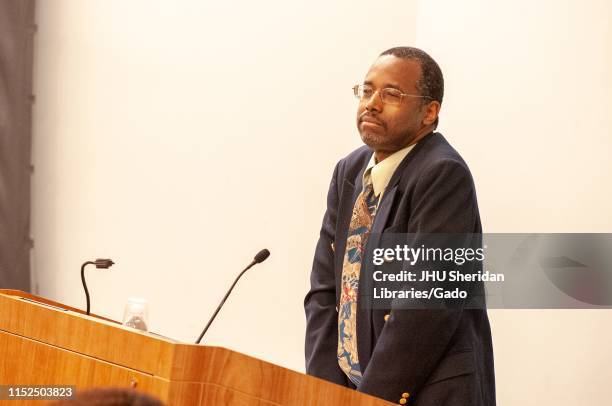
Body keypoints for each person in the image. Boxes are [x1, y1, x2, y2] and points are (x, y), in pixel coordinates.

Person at [304, 47, 495, 405]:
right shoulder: (350, 169)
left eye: (391, 94)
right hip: (351, 391)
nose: (372, 103)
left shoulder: (442, 173)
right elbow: (325, 289)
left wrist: (370, 400)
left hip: (425, 392)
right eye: (367, 90)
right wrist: (323, 392)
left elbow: (425, 305)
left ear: (429, 112)